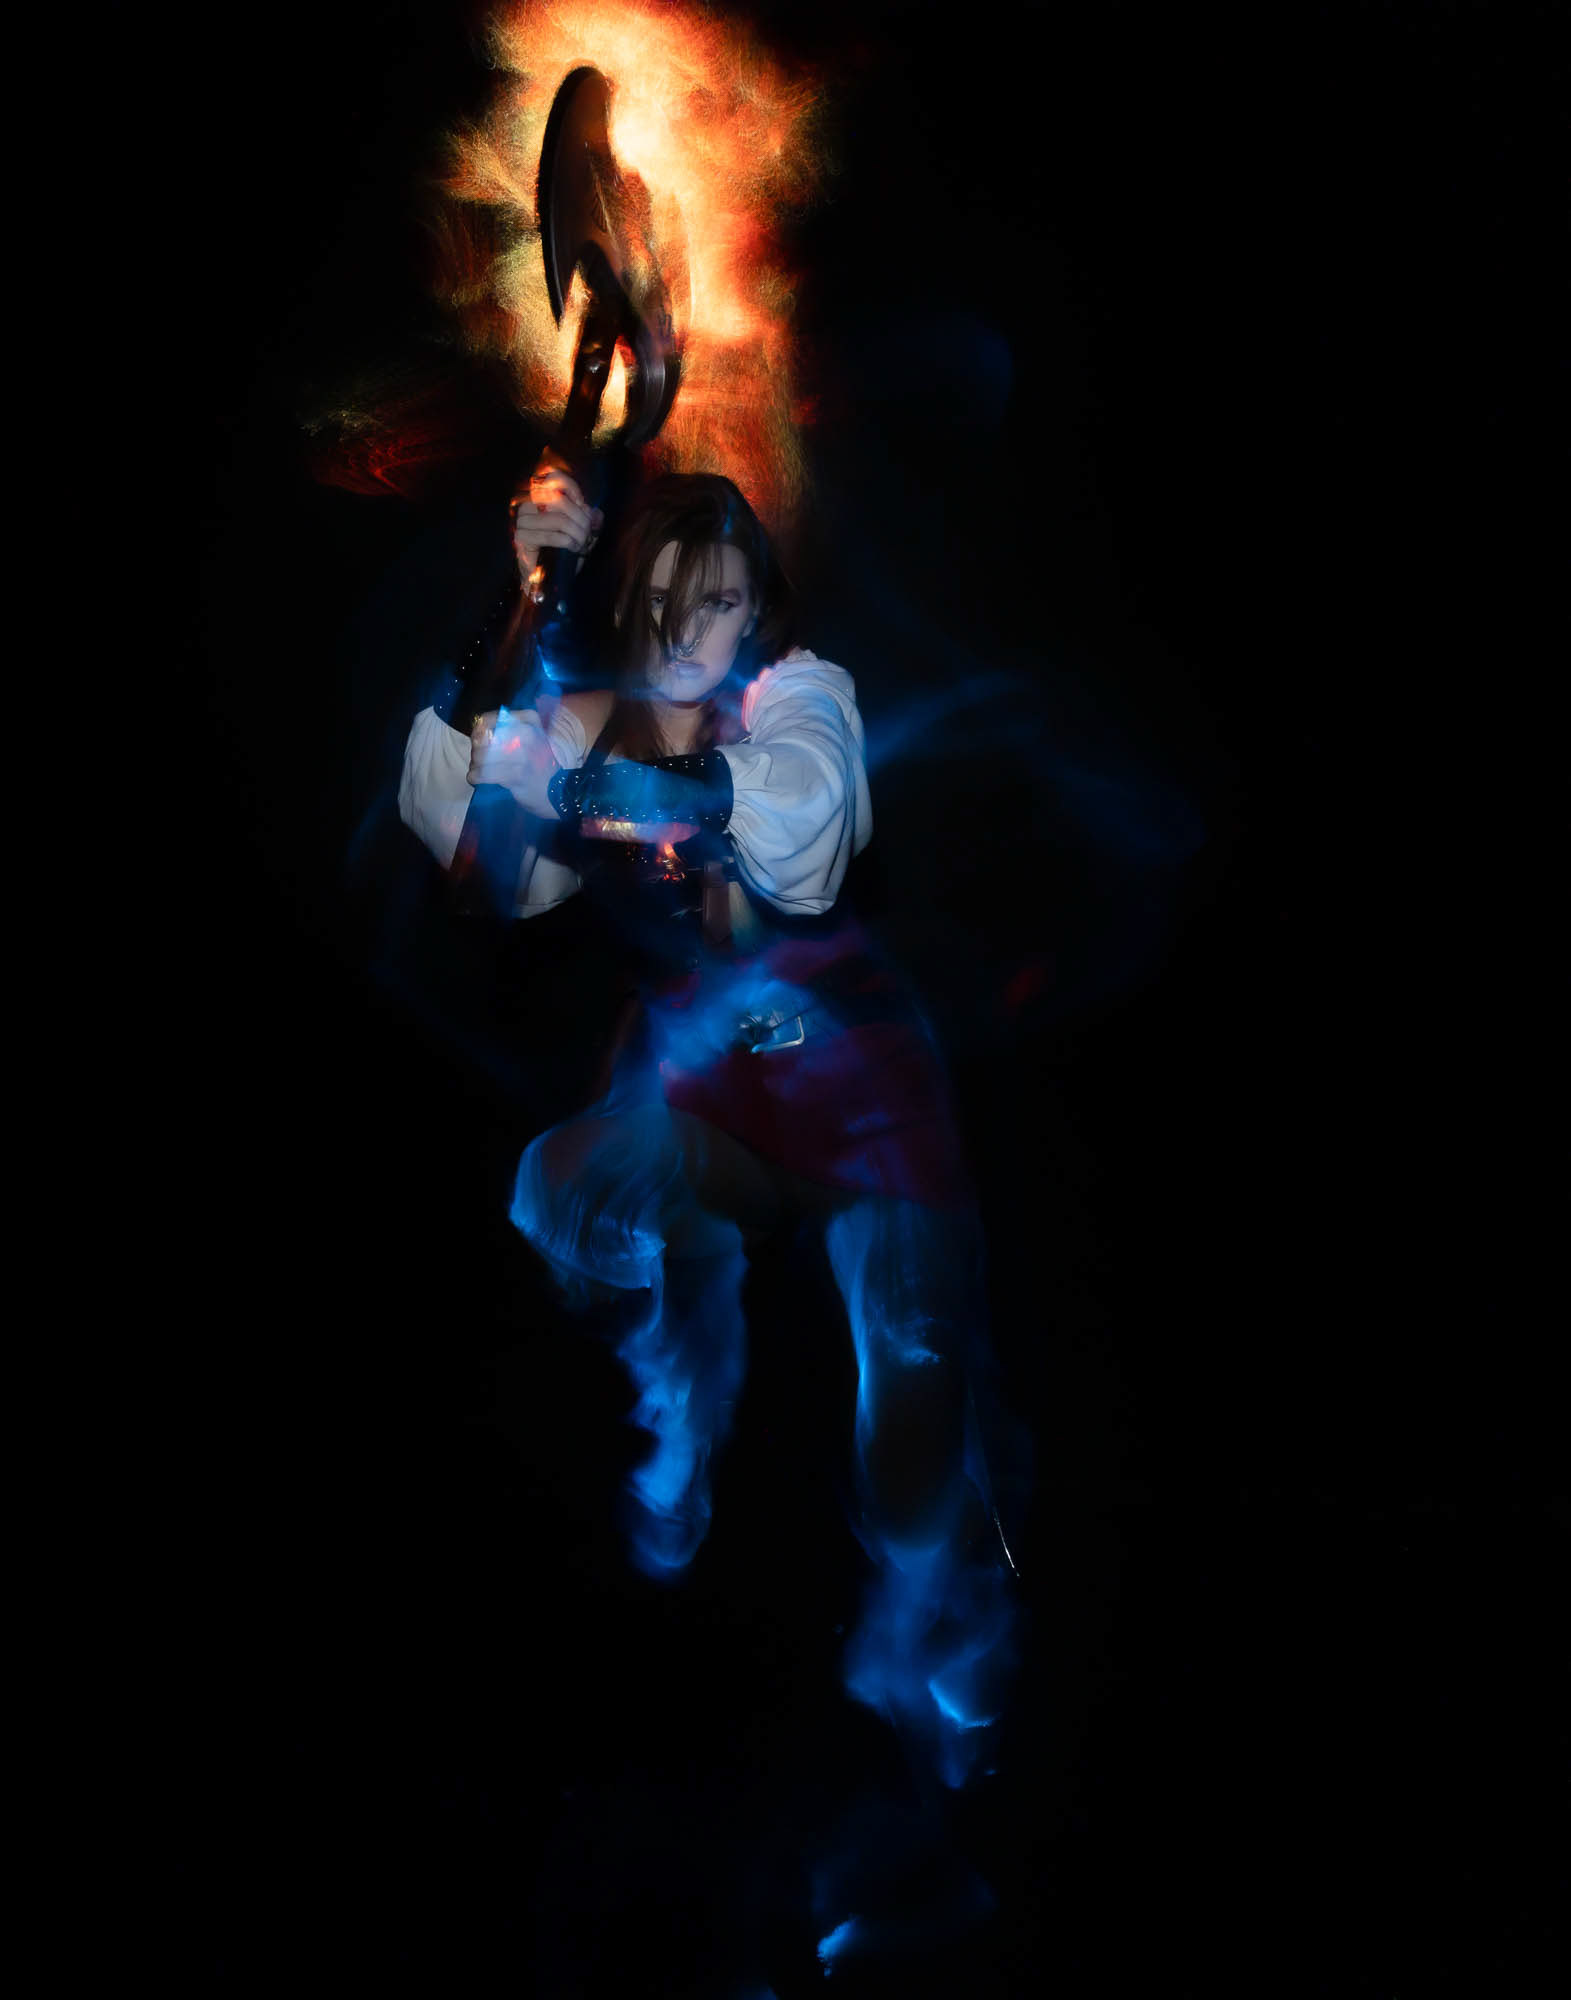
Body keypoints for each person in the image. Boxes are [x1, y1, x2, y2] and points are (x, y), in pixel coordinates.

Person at [398, 456, 1026, 1789]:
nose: (694, 631)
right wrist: (522, 598)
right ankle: (682, 1407)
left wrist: (609, 794)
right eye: (669, 599)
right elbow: (475, 869)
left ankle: (957, 1609)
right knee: (563, 1183)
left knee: (909, 1458)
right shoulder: (580, 717)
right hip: (720, 1092)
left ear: (758, 610)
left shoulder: (798, 694)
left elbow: (810, 810)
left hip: (860, 1092)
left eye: (724, 601)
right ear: (632, 595)